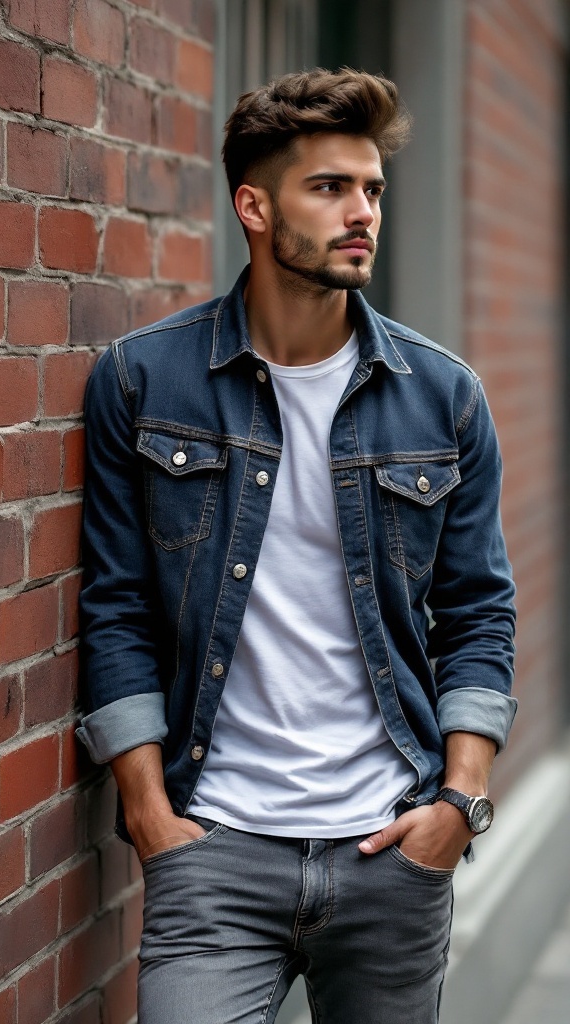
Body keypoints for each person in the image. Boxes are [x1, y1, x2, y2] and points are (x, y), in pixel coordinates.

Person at [77, 68, 516, 1024]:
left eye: (373, 190)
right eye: (330, 188)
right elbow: (115, 609)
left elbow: (480, 612)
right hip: (215, 848)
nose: (363, 212)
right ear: (255, 206)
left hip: (390, 850)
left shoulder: (443, 398)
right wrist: (152, 817)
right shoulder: (143, 383)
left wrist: (457, 808)